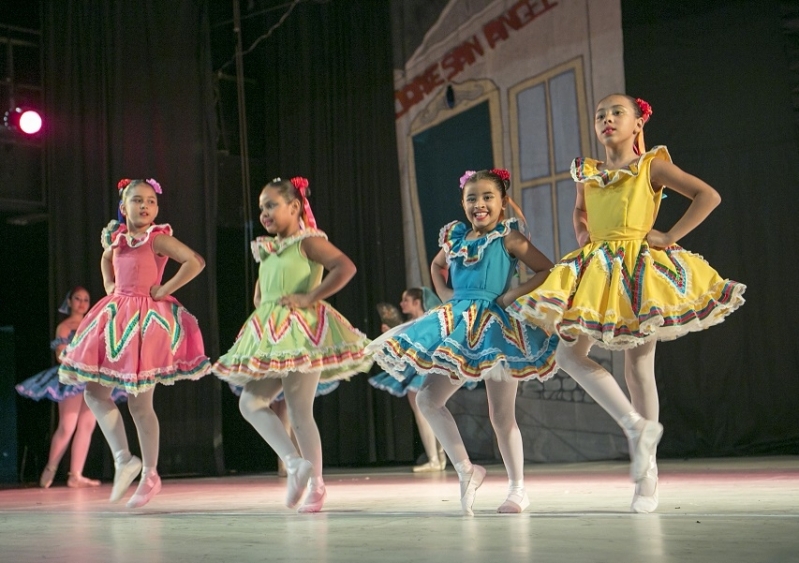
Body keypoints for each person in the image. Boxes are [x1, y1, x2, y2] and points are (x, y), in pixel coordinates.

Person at [509, 95, 746, 513]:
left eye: (617, 113)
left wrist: (669, 236)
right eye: (600, 114)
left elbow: (707, 195)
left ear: (638, 123)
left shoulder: (650, 164)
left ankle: (647, 476)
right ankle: (635, 426)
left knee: (638, 368)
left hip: (638, 269)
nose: (606, 120)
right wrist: (582, 232)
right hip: (596, 268)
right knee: (568, 354)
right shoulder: (588, 172)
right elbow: (581, 211)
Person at [368, 169, 559, 515]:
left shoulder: (509, 238)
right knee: (427, 398)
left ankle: (518, 489)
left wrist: (511, 294)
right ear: (463, 203)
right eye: (472, 198)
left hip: (495, 328)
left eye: (488, 197)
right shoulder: (455, 237)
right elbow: (437, 265)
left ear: (502, 202)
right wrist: (445, 296)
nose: (479, 204)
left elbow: (547, 269)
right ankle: (466, 470)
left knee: (501, 415)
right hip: (456, 324)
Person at [212, 176, 372, 514]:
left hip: (301, 332)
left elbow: (345, 267)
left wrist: (311, 296)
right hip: (271, 332)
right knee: (251, 403)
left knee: (300, 413)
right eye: (261, 208)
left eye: (271, 205)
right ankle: (295, 463)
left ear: (295, 207)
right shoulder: (268, 248)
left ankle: (317, 485)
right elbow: (262, 291)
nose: (265, 213)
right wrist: (261, 303)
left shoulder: (307, 242)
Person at [58, 178, 211, 508]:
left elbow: (195, 262)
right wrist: (108, 281)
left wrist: (163, 287)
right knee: (94, 391)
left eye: (151, 201)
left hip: (144, 322)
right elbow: (106, 258)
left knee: (141, 404)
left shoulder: (157, 238)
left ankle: (150, 473)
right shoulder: (117, 238)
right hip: (115, 316)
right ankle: (124, 458)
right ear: (123, 206)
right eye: (138, 200)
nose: (145, 206)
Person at [16, 287, 121, 488]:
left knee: (87, 425)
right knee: (68, 425)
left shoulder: (93, 324)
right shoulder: (65, 326)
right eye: (78, 299)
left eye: (86, 299)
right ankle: (51, 468)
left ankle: (76, 475)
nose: (82, 303)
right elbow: (61, 355)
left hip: (92, 377)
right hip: (72, 376)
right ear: (70, 301)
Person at [369, 288, 455, 472]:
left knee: (423, 413)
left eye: (406, 300)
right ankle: (439, 458)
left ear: (417, 302)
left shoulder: (427, 320)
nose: (401, 304)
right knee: (433, 413)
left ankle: (435, 459)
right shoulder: (420, 322)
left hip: (424, 371)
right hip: (424, 370)